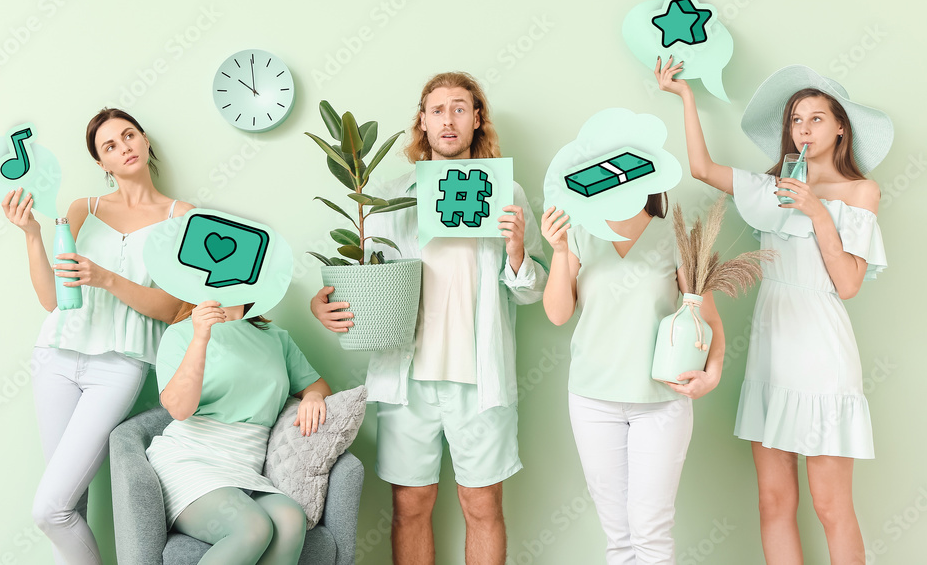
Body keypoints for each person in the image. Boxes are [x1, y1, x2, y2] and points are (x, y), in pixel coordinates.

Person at [656, 58, 889, 564]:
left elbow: (848, 283)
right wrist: (686, 97)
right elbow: (701, 168)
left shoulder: (859, 192)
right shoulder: (772, 188)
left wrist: (815, 210)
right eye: (796, 121)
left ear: (841, 126)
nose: (803, 130)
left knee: (831, 506)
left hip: (823, 353)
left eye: (816, 119)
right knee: (773, 501)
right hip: (771, 350)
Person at [311, 71, 548, 565]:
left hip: (479, 377)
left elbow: (533, 294)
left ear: (477, 119)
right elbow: (364, 275)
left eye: (460, 107)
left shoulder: (508, 195)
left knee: (482, 504)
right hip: (408, 376)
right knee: (410, 505)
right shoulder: (390, 199)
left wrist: (518, 250)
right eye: (437, 109)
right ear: (422, 120)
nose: (448, 119)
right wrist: (322, 302)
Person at [2, 108, 192, 565]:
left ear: (145, 141)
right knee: (68, 504)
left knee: (50, 510)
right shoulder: (81, 210)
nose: (123, 146)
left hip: (120, 365)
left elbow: (170, 309)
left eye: (129, 136)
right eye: (110, 145)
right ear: (102, 164)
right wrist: (31, 236)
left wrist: (106, 278)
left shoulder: (182, 216)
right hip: (54, 356)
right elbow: (53, 301)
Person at [540, 191, 725, 564]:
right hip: (593, 403)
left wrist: (713, 375)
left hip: (662, 404)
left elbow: (709, 318)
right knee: (619, 537)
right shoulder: (579, 234)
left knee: (650, 533)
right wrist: (559, 252)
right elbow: (559, 314)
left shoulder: (676, 236)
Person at [147, 299, 332, 565]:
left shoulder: (276, 338)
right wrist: (201, 337)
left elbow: (318, 385)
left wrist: (313, 396)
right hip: (191, 460)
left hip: (246, 465)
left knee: (291, 519)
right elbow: (178, 409)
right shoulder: (180, 333)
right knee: (253, 528)